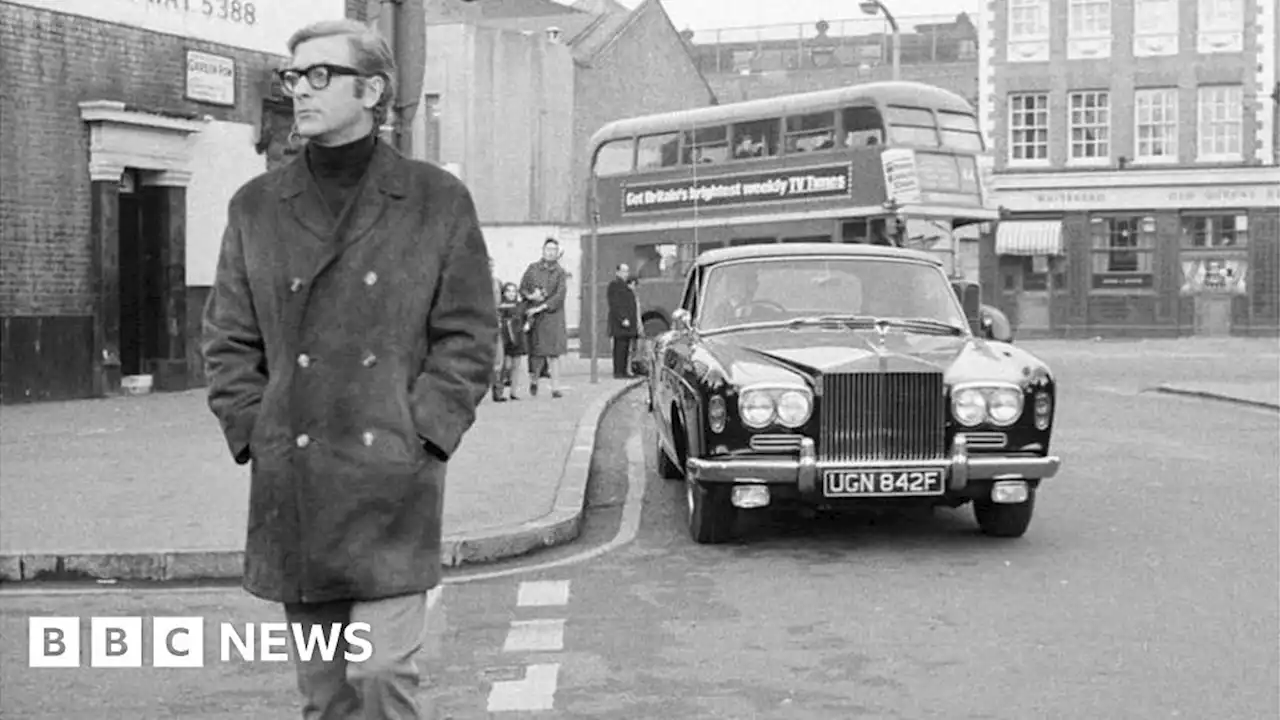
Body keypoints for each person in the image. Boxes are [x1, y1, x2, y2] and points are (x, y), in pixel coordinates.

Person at [200, 19, 497, 720]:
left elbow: (469, 334)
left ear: (373, 90)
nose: (300, 89)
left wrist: (423, 432)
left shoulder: (435, 201)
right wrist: (257, 428)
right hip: (297, 480)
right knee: (326, 697)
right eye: (294, 76)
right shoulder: (256, 207)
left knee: (383, 674)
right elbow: (227, 339)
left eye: (320, 75)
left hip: (392, 479)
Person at [519, 238, 568, 398]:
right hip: (535, 317)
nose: (551, 252)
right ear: (543, 250)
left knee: (554, 353)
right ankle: (534, 381)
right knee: (536, 353)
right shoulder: (532, 269)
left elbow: (560, 295)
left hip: (552, 317)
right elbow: (522, 288)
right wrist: (532, 296)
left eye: (554, 250)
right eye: (548, 249)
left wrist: (543, 306)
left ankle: (555, 387)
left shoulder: (560, 272)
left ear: (557, 252)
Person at [494, 282, 530, 401]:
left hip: (518, 337)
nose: (511, 293)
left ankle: (513, 392)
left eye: (514, 291)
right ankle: (500, 391)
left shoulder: (519, 306)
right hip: (505, 338)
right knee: (506, 365)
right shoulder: (501, 306)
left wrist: (527, 324)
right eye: (508, 291)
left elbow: (528, 316)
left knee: (516, 366)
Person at [606, 263, 639, 379]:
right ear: (618, 272)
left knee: (625, 348)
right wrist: (622, 318)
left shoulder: (626, 285)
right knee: (619, 348)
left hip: (628, 323)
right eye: (624, 271)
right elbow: (615, 304)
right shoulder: (614, 285)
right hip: (620, 323)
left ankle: (624, 371)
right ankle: (618, 372)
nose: (626, 274)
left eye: (627, 271)